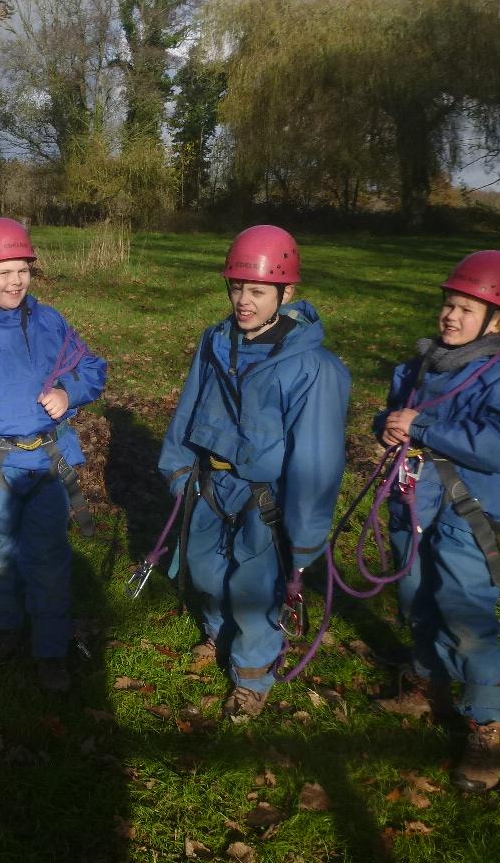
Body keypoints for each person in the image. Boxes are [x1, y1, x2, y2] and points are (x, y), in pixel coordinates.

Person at [158, 224, 350, 722]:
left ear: (287, 293)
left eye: (258, 292)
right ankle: (220, 633)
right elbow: (189, 403)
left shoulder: (313, 368)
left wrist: (305, 536)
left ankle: (251, 674)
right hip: (209, 481)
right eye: (237, 288)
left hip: (266, 496)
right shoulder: (217, 341)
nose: (244, 301)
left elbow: (317, 456)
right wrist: (177, 467)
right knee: (203, 568)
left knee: (254, 586)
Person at [373, 250, 500, 792]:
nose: (450, 316)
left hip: (465, 514)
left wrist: (421, 429)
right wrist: (388, 425)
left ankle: (486, 724)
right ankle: (427, 682)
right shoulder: (423, 365)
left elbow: (496, 447)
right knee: (414, 596)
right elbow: (397, 413)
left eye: (465, 309)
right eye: (448, 304)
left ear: (497, 321)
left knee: (465, 613)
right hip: (413, 504)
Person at [0, 218, 107, 693]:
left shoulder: (51, 324)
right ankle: (5, 627)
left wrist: (69, 393)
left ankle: (51, 647)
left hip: (47, 465)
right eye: (4, 272)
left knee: (49, 556)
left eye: (22, 271)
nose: (15, 281)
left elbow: (93, 368)